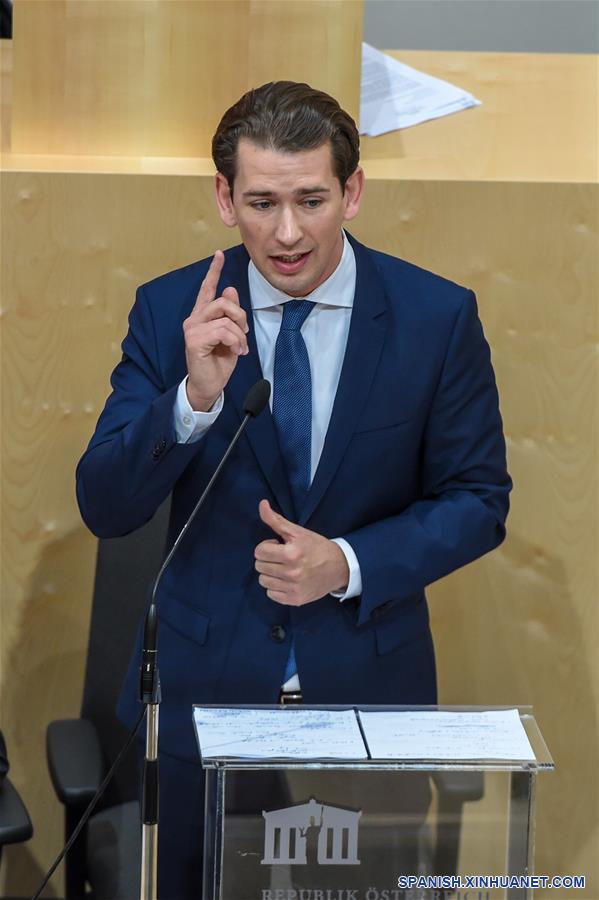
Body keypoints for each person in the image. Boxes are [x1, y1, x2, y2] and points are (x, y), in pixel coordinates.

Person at [76, 81, 511, 897]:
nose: (286, 233)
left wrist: (347, 562)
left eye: (311, 200)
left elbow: (477, 500)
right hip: (205, 710)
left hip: (365, 703)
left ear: (352, 191)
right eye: (262, 203)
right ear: (224, 199)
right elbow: (105, 504)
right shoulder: (171, 312)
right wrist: (191, 400)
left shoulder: (434, 318)